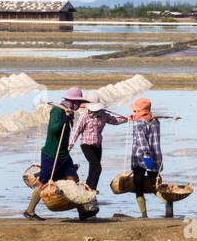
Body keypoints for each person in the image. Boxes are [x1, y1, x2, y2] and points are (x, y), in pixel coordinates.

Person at [24, 87, 91, 220]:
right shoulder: (57, 110)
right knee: (43, 183)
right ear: (71, 101)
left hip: (63, 154)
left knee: (73, 180)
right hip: (51, 154)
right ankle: (29, 211)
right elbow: (53, 129)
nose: (78, 106)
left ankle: (82, 211)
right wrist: (64, 120)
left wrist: (68, 117)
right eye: (77, 103)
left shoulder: (68, 112)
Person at [70, 91, 127, 193]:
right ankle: (92, 191)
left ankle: (87, 192)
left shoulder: (103, 114)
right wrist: (70, 145)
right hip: (86, 145)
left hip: (98, 145)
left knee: (93, 170)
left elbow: (114, 121)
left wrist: (126, 119)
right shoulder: (84, 115)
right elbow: (77, 131)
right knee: (97, 168)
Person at [127, 97, 163, 218]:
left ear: (140, 111)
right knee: (155, 185)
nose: (134, 113)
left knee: (138, 185)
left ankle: (144, 214)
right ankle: (168, 204)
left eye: (135, 111)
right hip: (155, 157)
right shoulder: (156, 122)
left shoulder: (138, 123)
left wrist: (146, 157)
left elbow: (142, 142)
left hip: (140, 157)